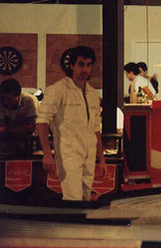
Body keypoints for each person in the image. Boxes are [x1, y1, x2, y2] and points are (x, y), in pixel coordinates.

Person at [36, 46, 106, 201]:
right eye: (81, 64)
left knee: (86, 196)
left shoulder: (92, 94)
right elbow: (42, 122)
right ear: (72, 66)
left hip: (89, 153)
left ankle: (83, 226)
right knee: (73, 198)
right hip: (68, 152)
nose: (85, 69)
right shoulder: (57, 90)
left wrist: (101, 158)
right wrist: (47, 154)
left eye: (89, 65)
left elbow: (96, 128)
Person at [0, 79, 39, 154]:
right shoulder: (1, 101)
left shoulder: (29, 101)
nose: (5, 102)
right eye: (3, 99)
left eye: (9, 99)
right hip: (6, 143)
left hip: (29, 142)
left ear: (19, 95)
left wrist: (6, 128)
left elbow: (30, 128)